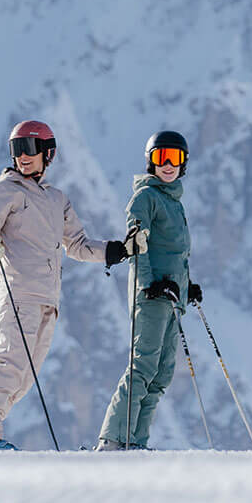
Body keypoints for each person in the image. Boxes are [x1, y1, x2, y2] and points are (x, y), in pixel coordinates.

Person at [0, 119, 128, 450]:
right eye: (16, 149)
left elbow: (76, 244)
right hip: (19, 293)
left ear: (47, 154)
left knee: (25, 374)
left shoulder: (55, 200)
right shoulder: (4, 190)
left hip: (48, 299)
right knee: (11, 363)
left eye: (30, 149)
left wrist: (111, 251)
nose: (22, 157)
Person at [97, 129, 202, 450]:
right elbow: (136, 245)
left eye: (175, 158)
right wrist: (150, 284)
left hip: (172, 297)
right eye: (161, 158)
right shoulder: (145, 198)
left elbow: (176, 253)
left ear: (183, 163)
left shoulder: (174, 201)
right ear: (150, 162)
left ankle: (136, 442)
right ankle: (115, 440)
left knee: (162, 374)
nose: (168, 165)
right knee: (142, 366)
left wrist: (187, 287)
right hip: (152, 295)